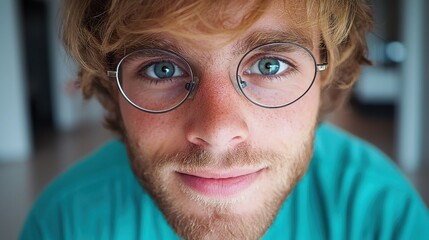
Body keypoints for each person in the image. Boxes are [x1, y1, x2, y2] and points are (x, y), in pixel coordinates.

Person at [21, 0, 429, 239]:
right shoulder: (65, 221)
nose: (216, 132)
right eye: (162, 69)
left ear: (327, 73)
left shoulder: (381, 214)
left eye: (269, 66)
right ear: (112, 87)